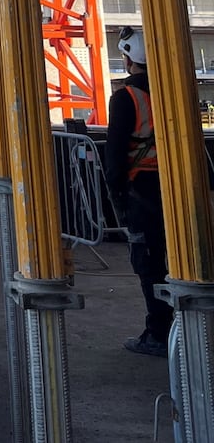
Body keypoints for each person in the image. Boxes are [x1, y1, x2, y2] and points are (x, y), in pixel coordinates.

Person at [105, 26, 172, 357]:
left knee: (149, 263)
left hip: (142, 191)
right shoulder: (171, 92)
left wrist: (115, 192)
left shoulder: (126, 97)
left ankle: (159, 333)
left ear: (129, 59)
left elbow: (115, 152)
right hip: (175, 186)